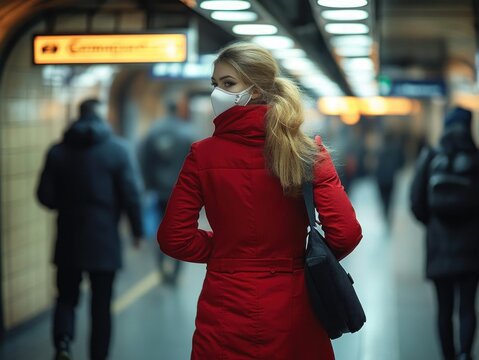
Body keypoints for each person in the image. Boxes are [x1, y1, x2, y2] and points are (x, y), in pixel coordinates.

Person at [157, 42, 363, 359]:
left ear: (255, 90)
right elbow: (346, 232)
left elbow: (174, 238)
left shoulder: (203, 155)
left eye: (228, 84)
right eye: (215, 84)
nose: (217, 92)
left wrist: (226, 250)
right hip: (295, 308)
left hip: (224, 309)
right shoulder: (307, 152)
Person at [37, 98, 143, 360]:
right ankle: (98, 355)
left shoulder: (57, 151)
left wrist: (68, 202)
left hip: (68, 236)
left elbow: (44, 196)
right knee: (101, 304)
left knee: (66, 297)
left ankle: (62, 343)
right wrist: (137, 231)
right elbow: (131, 195)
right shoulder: (118, 150)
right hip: (104, 239)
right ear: (101, 116)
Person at [410, 106, 479, 360]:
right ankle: (465, 353)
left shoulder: (430, 158)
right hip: (471, 247)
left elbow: (416, 204)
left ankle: (448, 356)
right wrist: (476, 225)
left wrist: (434, 224)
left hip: (439, 248)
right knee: (467, 307)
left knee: (444, 309)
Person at [139, 99, 195, 284]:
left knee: (161, 229)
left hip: (160, 192)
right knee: (182, 232)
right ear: (177, 111)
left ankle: (162, 268)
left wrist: (148, 186)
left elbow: (145, 160)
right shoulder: (187, 132)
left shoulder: (154, 132)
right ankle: (176, 273)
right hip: (183, 193)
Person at [374, 130, 404, 225]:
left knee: (383, 197)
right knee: (389, 198)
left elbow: (375, 165)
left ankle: (385, 212)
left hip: (381, 178)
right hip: (391, 178)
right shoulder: (396, 150)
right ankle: (387, 213)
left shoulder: (380, 149)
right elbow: (401, 163)